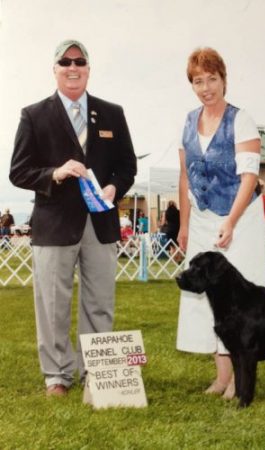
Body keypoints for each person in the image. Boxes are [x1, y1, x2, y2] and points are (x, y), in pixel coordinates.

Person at [9, 39, 137, 396]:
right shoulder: (33, 115)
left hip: (100, 223)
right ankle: (57, 376)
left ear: (88, 69)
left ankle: (97, 372)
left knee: (100, 302)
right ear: (55, 69)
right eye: (65, 61)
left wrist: (113, 188)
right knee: (52, 304)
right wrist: (55, 172)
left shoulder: (112, 112)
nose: (73, 67)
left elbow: (127, 166)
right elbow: (19, 171)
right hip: (53, 225)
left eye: (79, 61)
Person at [176, 47, 265, 400]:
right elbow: (185, 178)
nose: (206, 88)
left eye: (211, 79)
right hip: (202, 222)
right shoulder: (188, 121)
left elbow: (249, 176)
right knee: (209, 301)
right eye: (198, 81)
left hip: (240, 221)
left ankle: (239, 381)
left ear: (224, 80)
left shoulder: (241, 119)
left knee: (241, 303)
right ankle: (221, 378)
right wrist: (184, 227)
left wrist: (231, 220)